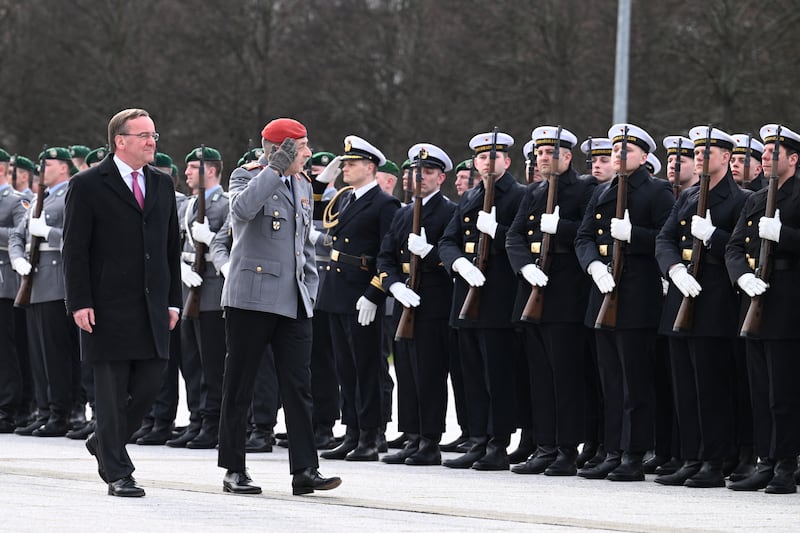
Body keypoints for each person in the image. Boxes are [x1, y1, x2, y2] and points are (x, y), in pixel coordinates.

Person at [217, 117, 341, 496]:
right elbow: (241, 211)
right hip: (251, 298)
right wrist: (272, 168)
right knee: (240, 385)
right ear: (281, 149)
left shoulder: (303, 183)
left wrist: (311, 289)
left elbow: (303, 245)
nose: (307, 153)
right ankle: (234, 468)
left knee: (299, 387)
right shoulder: (246, 175)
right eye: (300, 147)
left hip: (294, 298)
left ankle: (305, 469)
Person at [62, 108, 181, 497]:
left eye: (154, 135)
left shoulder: (161, 185)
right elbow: (75, 250)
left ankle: (103, 441)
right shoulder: (89, 184)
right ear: (120, 141)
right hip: (106, 306)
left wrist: (174, 302)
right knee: (111, 393)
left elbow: (169, 249)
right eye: (144, 135)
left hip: (152, 306)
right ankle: (118, 472)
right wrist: (79, 301)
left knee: (150, 384)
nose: (152, 141)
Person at [574, 123, 674, 481]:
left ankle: (633, 453)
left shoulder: (658, 192)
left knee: (635, 382)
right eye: (616, 150)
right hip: (602, 294)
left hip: (637, 296)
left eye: (627, 150)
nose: (618, 155)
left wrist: (635, 235)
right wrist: (594, 266)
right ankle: (613, 449)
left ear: (645, 157)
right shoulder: (603, 192)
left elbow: (667, 239)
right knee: (610, 381)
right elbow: (583, 237)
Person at [654, 126, 747, 488]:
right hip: (681, 295)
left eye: (707, 153)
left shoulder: (740, 200)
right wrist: (674, 269)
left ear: (726, 157)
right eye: (696, 153)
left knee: (711, 386)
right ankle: (691, 456)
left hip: (715, 300)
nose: (699, 159)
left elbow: (744, 250)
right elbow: (664, 238)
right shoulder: (689, 197)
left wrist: (715, 238)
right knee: (685, 386)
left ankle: (714, 459)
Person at [507, 126, 596, 476]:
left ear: (567, 157)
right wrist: (525, 268)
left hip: (566, 294)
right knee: (540, 376)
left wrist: (560, 228)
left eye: (551, 153)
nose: (544, 159)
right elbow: (514, 237)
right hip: (534, 290)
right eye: (541, 154)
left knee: (565, 376)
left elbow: (589, 234)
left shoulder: (585, 189)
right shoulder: (534, 191)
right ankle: (544, 445)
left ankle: (566, 448)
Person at [438, 130, 525, 471]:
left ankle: (497, 441)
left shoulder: (518, 196)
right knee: (470, 374)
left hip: (497, 298)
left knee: (496, 374)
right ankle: (476, 438)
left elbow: (522, 243)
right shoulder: (472, 196)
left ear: (506, 160)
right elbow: (448, 239)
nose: (487, 162)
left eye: (494, 157)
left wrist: (498, 233)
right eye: (482, 158)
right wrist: (457, 262)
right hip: (466, 297)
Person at [725, 123, 800, 494]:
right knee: (759, 388)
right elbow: (734, 247)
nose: (766, 157)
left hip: (788, 302)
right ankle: (765, 460)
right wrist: (741, 277)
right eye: (766, 151)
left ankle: (786, 464)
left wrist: (782, 235)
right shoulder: (755, 200)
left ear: (793, 159)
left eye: (773, 152)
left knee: (783, 390)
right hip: (753, 299)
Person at [317, 135, 401, 462]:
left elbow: (389, 253)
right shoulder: (344, 198)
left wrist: (374, 293)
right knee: (345, 368)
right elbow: (312, 204)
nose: (345, 168)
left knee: (367, 368)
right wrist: (324, 177)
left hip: (363, 291)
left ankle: (370, 434)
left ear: (370, 167)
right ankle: (351, 431)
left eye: (350, 164)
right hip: (337, 291)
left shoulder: (384, 204)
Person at [376, 142, 457, 466]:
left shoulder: (450, 212)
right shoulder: (403, 213)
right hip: (405, 300)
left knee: (429, 373)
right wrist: (393, 284)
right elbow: (385, 256)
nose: (420, 178)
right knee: (407, 371)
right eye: (415, 172)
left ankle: (429, 439)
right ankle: (411, 434)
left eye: (428, 172)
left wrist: (430, 254)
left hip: (435, 302)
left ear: (441, 178)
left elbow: (453, 256)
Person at [9, 147, 81, 438]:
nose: (42, 169)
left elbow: (77, 239)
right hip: (35, 283)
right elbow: (17, 234)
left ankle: (62, 413)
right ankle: (46, 409)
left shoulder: (70, 195)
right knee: (39, 356)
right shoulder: (43, 197)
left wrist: (48, 232)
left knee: (57, 355)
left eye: (47, 164)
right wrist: (17, 258)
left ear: (64, 168)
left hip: (57, 284)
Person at [0, 148, 26, 433]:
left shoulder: (14, 200)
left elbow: (21, 232)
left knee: (5, 350)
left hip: (4, 280)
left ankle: (8, 407)